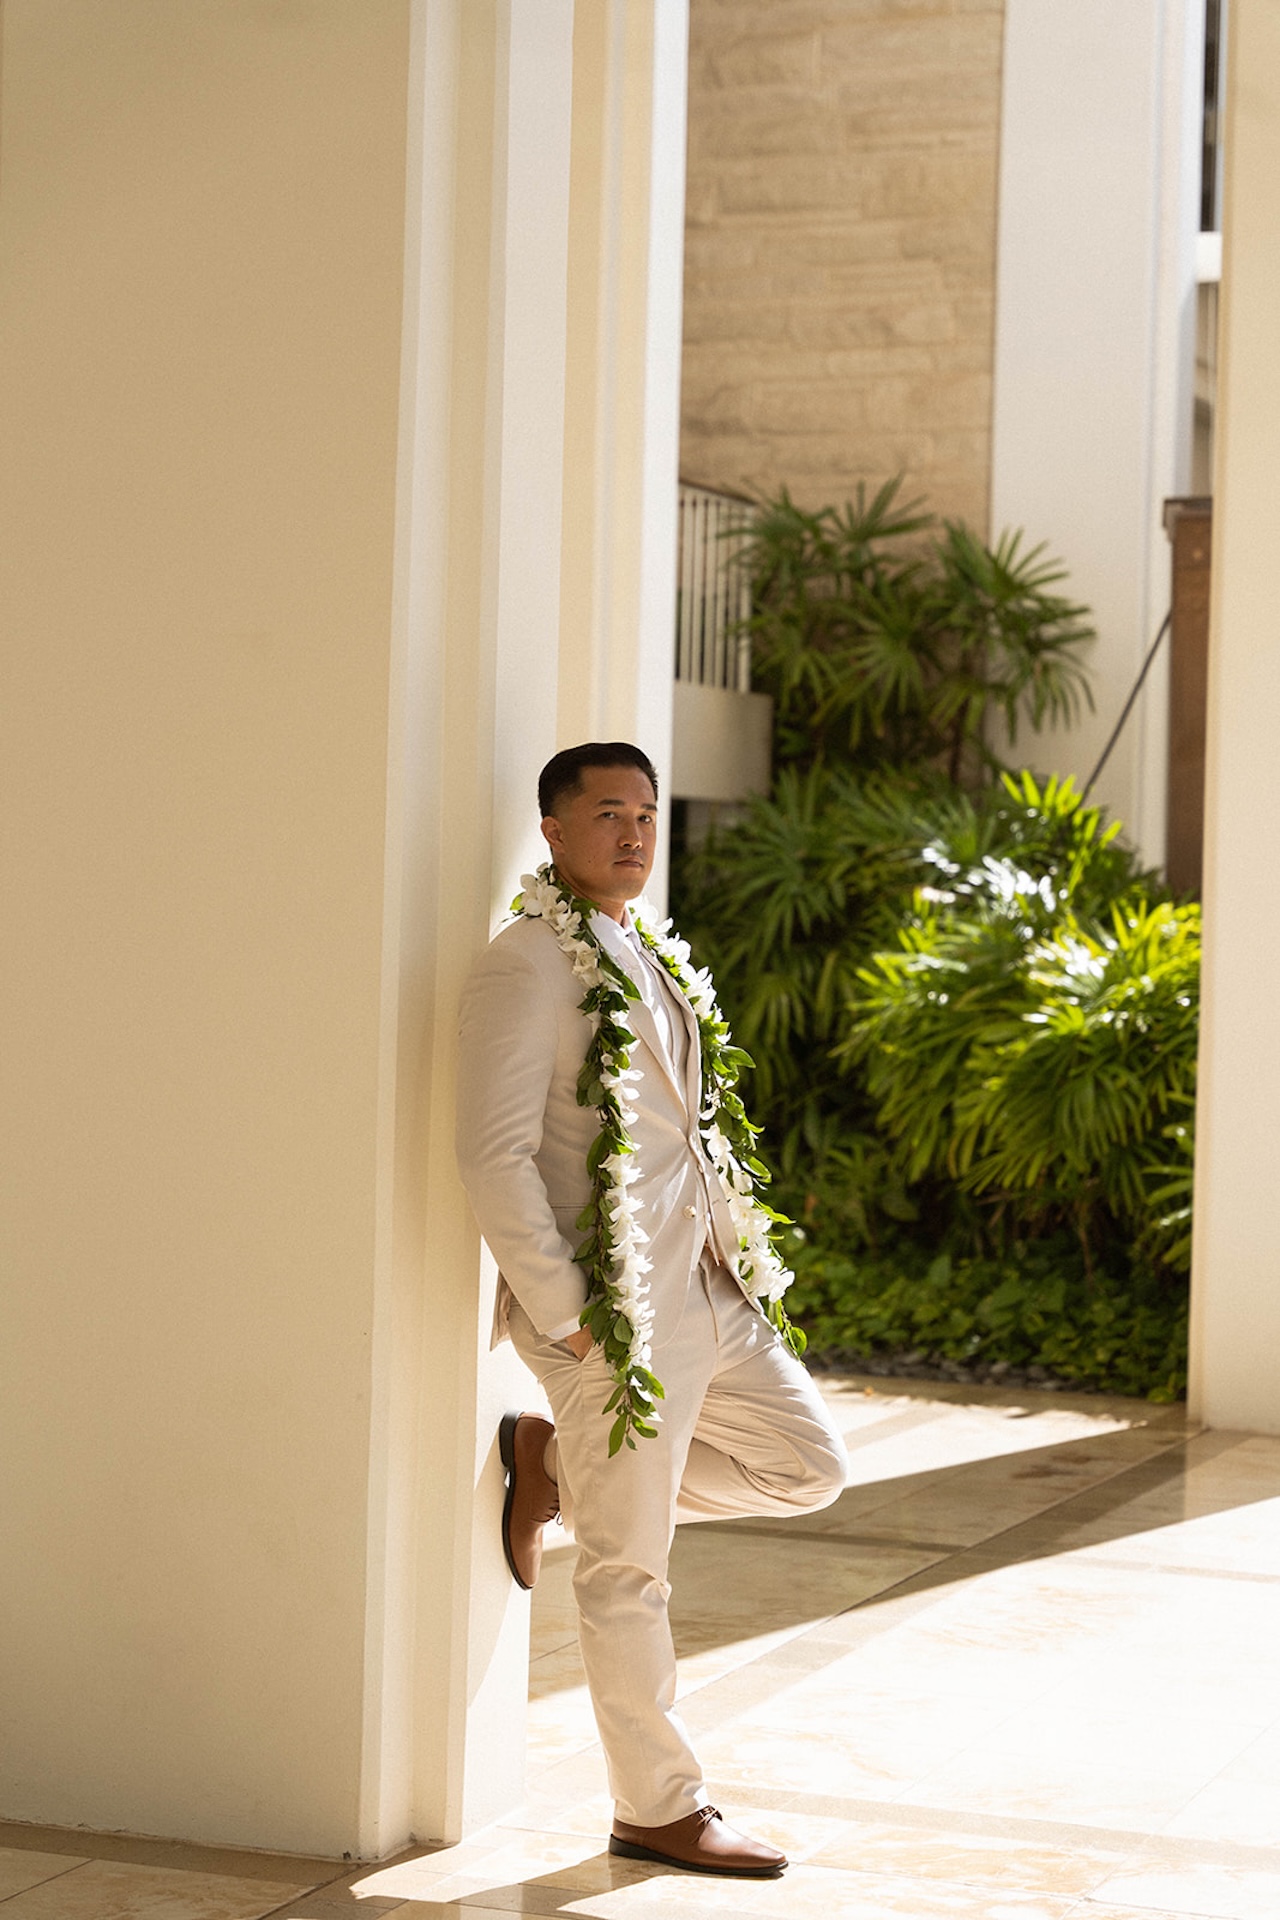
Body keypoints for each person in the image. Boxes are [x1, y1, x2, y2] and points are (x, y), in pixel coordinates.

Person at [455, 742, 848, 1879]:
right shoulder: (525, 966)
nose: (632, 833)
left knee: (804, 1466)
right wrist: (571, 1321)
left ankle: (551, 1470)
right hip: (612, 1315)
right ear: (552, 832)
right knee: (630, 1570)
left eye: (646, 813)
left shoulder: (643, 948)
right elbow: (493, 1156)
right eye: (607, 814)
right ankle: (656, 1806)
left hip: (705, 1293)